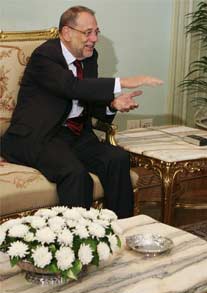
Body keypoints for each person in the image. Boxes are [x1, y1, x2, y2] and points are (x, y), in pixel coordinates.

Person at [0, 6, 163, 218]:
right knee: (75, 174)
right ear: (67, 33)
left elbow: (88, 95)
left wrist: (112, 104)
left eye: (97, 32)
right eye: (88, 32)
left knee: (117, 159)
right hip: (39, 136)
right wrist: (124, 82)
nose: (94, 38)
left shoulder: (89, 56)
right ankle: (77, 243)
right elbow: (72, 87)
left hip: (75, 134)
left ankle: (121, 230)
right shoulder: (45, 56)